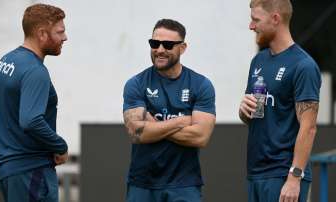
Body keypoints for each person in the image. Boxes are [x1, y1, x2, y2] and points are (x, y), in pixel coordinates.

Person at [122, 19, 216, 202]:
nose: (160, 49)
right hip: (142, 184)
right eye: (154, 43)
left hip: (184, 185)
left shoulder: (200, 85)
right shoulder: (136, 84)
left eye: (168, 45)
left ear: (182, 48)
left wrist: (152, 125)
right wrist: (180, 121)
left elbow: (200, 137)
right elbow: (136, 132)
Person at [239, 0, 321, 201]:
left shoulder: (303, 65)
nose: (251, 26)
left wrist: (294, 177)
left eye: (255, 20)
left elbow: (309, 127)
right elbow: (254, 117)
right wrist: (243, 111)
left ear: (275, 19)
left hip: (283, 175)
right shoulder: (258, 61)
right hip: (256, 172)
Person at [0, 3, 69, 202]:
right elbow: (31, 121)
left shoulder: (5, 62)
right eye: (60, 32)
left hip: (8, 171)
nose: (65, 37)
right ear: (42, 34)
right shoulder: (35, 71)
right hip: (31, 171)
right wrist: (60, 146)